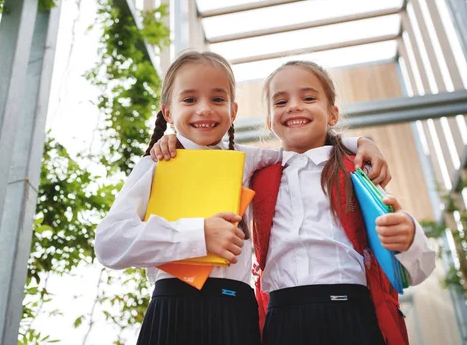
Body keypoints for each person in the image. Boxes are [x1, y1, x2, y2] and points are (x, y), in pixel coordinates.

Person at [95, 51, 388, 345]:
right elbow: (110, 244)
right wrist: (200, 235)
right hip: (174, 309)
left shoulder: (249, 160)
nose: (205, 109)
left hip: (239, 315)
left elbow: (305, 149)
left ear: (233, 111)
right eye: (189, 100)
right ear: (168, 113)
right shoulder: (156, 163)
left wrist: (361, 143)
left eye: (218, 99)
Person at [250, 60, 435, 345]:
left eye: (308, 98)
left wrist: (408, 236)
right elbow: (209, 151)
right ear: (269, 121)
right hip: (281, 320)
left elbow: (418, 269)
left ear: (332, 114)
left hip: (352, 315)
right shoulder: (255, 176)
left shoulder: (357, 171)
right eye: (281, 101)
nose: (294, 106)